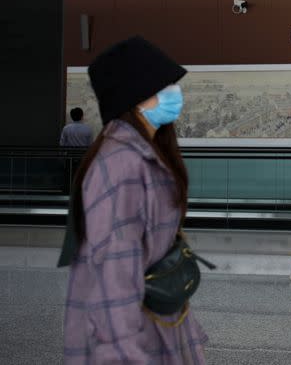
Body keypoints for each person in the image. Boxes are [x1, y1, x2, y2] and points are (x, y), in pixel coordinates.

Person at [58, 36, 207, 364]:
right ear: (136, 98)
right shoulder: (121, 166)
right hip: (133, 340)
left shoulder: (144, 154)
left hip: (156, 325)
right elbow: (114, 279)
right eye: (163, 88)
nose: (174, 94)